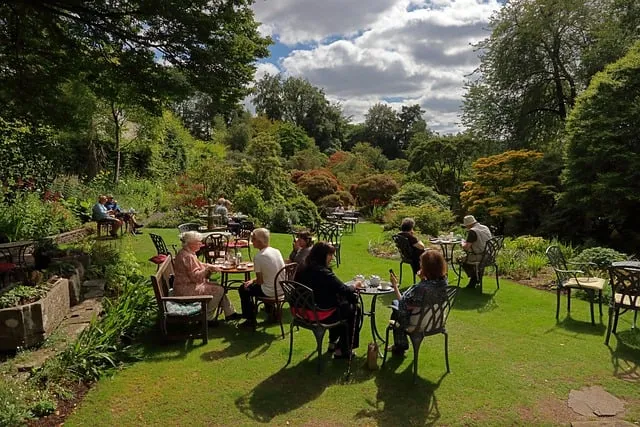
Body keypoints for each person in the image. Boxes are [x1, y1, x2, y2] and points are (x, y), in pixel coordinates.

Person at [294, 242, 361, 359]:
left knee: (341, 305)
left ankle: (333, 343)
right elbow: (344, 290)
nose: (332, 258)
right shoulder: (323, 273)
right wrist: (355, 285)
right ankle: (343, 349)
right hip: (318, 314)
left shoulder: (302, 268)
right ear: (322, 255)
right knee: (353, 309)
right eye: (330, 255)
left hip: (300, 311)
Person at [173, 231, 241, 324]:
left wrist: (210, 266)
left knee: (217, 286)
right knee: (218, 290)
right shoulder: (187, 256)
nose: (201, 244)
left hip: (186, 285)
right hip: (186, 289)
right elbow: (195, 277)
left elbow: (200, 264)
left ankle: (230, 313)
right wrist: (208, 270)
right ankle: (207, 318)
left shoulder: (188, 252)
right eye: (198, 242)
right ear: (190, 243)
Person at [389, 250, 448, 356]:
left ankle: (400, 346)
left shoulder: (421, 289)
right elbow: (427, 289)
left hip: (419, 323)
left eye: (421, 263)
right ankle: (399, 346)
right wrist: (423, 279)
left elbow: (403, 302)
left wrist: (395, 286)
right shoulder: (443, 282)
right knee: (399, 307)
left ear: (427, 267)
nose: (420, 265)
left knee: (396, 306)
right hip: (436, 320)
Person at [238, 228, 285, 328]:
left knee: (243, 289)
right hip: (282, 289)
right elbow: (268, 275)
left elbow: (260, 281)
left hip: (270, 291)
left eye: (253, 239)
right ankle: (271, 311)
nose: (251, 241)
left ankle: (250, 319)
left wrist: (251, 282)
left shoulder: (259, 256)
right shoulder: (276, 251)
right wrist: (252, 281)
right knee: (255, 285)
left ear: (259, 241)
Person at [459, 215, 492, 289]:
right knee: (466, 258)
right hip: (489, 255)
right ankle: (477, 277)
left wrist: (462, 243)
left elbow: (466, 248)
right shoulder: (485, 227)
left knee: (460, 259)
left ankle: (474, 279)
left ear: (468, 224)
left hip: (479, 256)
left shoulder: (473, 231)